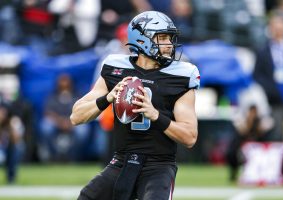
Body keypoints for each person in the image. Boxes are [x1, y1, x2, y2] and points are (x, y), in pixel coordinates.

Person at [70, 11, 200, 200]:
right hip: (121, 161)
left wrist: (155, 115)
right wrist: (108, 98)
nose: (169, 44)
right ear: (141, 40)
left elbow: (190, 137)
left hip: (158, 166)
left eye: (170, 38)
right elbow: (76, 116)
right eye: (162, 38)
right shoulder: (116, 67)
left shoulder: (181, 75)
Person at [253, 14, 283, 182]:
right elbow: (257, 75)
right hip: (275, 100)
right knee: (276, 134)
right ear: (270, 29)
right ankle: (280, 171)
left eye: (281, 26)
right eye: (275, 26)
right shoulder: (263, 50)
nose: (279, 29)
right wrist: (271, 90)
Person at [39, 73, 90, 162]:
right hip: (57, 123)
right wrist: (61, 122)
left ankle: (73, 157)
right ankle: (53, 156)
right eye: (62, 81)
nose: (64, 84)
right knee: (46, 127)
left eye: (66, 81)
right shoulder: (52, 97)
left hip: (74, 122)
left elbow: (82, 111)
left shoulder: (77, 96)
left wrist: (70, 122)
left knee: (83, 130)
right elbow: (48, 113)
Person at [0, 97, 24, 184]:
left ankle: (11, 177)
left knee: (17, 148)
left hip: (6, 150)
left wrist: (10, 127)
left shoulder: (14, 121)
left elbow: (17, 140)